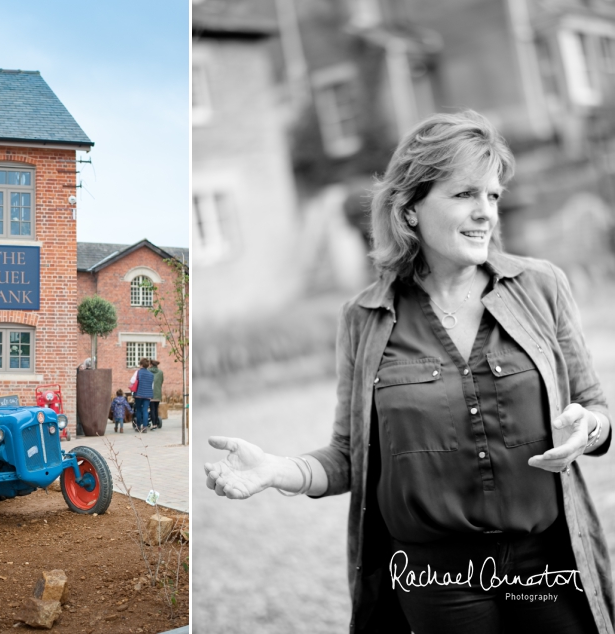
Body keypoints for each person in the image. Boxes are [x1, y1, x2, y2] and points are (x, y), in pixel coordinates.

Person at [204, 110, 613, 634]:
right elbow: (351, 456)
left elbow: (596, 408)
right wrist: (275, 470)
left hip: (547, 560)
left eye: (492, 195)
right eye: (465, 194)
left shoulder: (541, 287)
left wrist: (589, 428)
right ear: (410, 209)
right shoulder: (365, 318)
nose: (485, 211)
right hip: (434, 579)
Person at [131, 358, 154, 434]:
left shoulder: (137, 372)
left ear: (141, 364)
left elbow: (132, 381)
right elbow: (152, 386)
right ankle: (145, 427)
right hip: (148, 395)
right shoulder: (151, 374)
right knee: (145, 410)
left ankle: (138, 426)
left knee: (138, 410)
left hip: (139, 394)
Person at [149, 359, 164, 430]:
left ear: (151, 364)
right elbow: (161, 382)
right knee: (156, 409)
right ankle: (156, 423)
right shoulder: (160, 372)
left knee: (152, 409)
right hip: (158, 393)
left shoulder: (148, 371)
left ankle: (154, 424)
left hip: (150, 393)